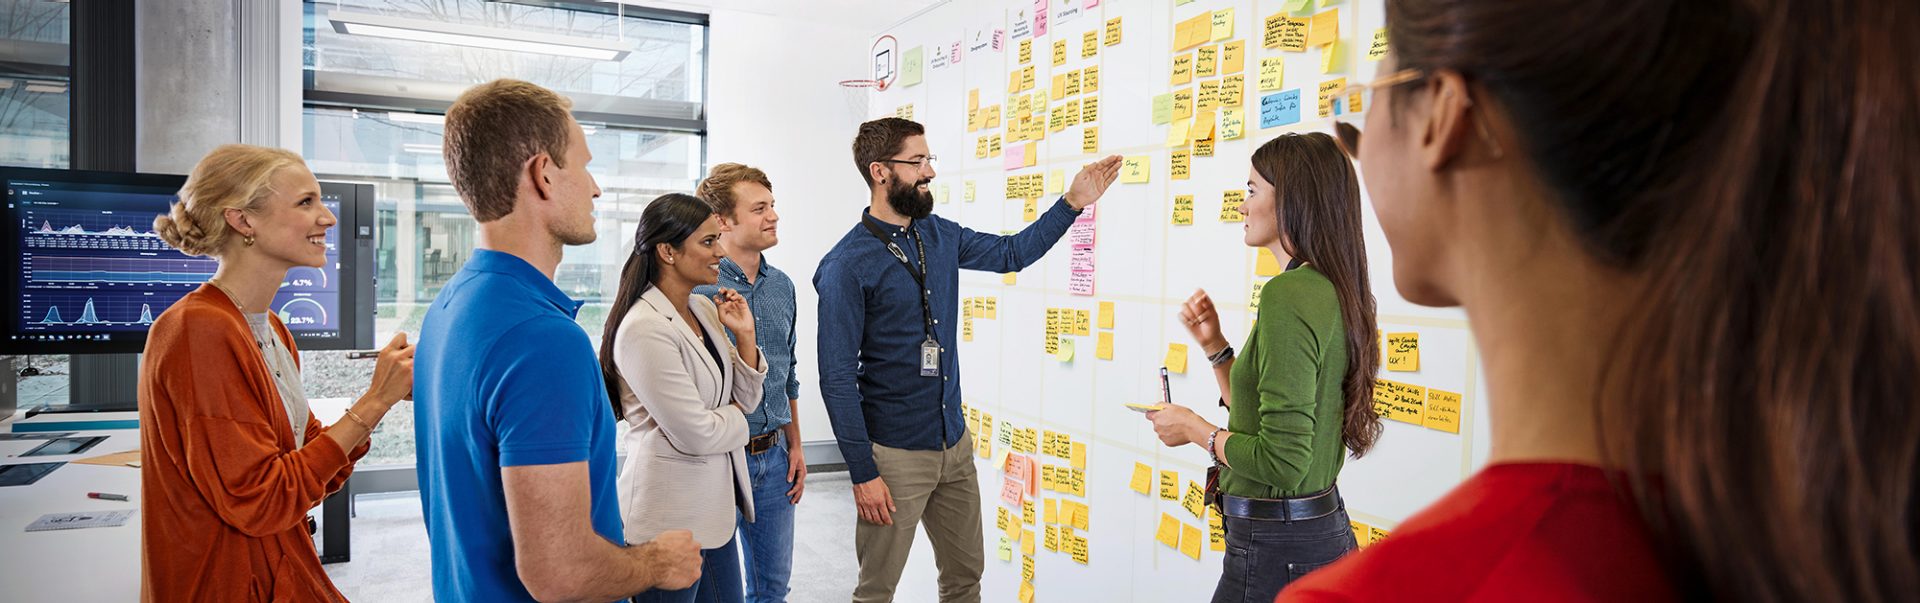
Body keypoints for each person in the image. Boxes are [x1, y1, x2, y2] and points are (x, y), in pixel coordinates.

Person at [1283, 0, 1918, 601]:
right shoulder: (1814, 535)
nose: (1357, 143)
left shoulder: (1393, 591)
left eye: (1369, 97)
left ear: (1445, 115)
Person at [411, 79, 700, 603]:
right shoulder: (542, 340)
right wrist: (657, 561)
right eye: (584, 167)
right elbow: (560, 571)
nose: (595, 189)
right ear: (543, 174)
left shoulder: (451, 305)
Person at [814, 117, 1123, 602]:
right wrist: (862, 472)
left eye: (929, 159)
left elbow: (1011, 253)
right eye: (917, 161)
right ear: (880, 171)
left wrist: (1072, 203)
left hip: (953, 445)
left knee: (964, 581)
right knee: (876, 591)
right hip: (894, 455)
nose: (929, 171)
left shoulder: (937, 235)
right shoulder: (845, 266)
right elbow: (835, 379)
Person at [140, 143, 414, 600]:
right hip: (227, 582)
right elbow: (262, 501)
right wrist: (375, 401)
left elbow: (308, 466)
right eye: (306, 202)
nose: (327, 218)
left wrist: (384, 397)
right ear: (242, 220)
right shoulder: (197, 330)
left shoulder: (270, 328)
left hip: (277, 567)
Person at [1144, 132, 1381, 601]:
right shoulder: (1331, 287)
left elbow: (1282, 462)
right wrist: (1216, 347)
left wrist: (1194, 429)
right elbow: (1263, 417)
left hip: (1277, 550)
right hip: (1318, 536)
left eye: (1252, 190)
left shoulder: (1287, 294)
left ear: (1292, 201)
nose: (1242, 205)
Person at [600, 192, 769, 602]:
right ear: (667, 252)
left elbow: (745, 399)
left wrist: (745, 335)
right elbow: (696, 433)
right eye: (708, 242)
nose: (720, 253)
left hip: (713, 514)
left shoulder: (704, 309)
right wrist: (738, 421)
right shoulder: (643, 327)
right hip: (666, 518)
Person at [689, 163, 806, 603]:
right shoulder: (698, 290)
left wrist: (796, 446)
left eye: (772, 205)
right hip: (718, 459)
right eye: (759, 209)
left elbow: (787, 374)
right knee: (717, 592)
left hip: (775, 458)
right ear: (722, 221)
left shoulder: (783, 287)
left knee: (772, 590)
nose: (773, 216)